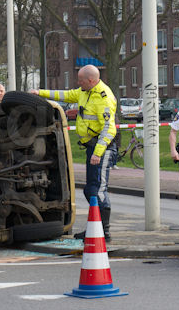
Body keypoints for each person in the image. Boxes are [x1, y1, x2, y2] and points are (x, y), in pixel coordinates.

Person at [30, 65, 118, 241]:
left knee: (98, 190)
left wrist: (98, 153)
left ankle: (104, 232)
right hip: (92, 148)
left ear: (91, 81)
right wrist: (40, 93)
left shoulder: (104, 97)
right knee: (90, 190)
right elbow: (67, 95)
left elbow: (109, 129)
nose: (79, 83)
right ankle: (95, 228)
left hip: (102, 149)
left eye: (81, 80)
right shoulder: (86, 92)